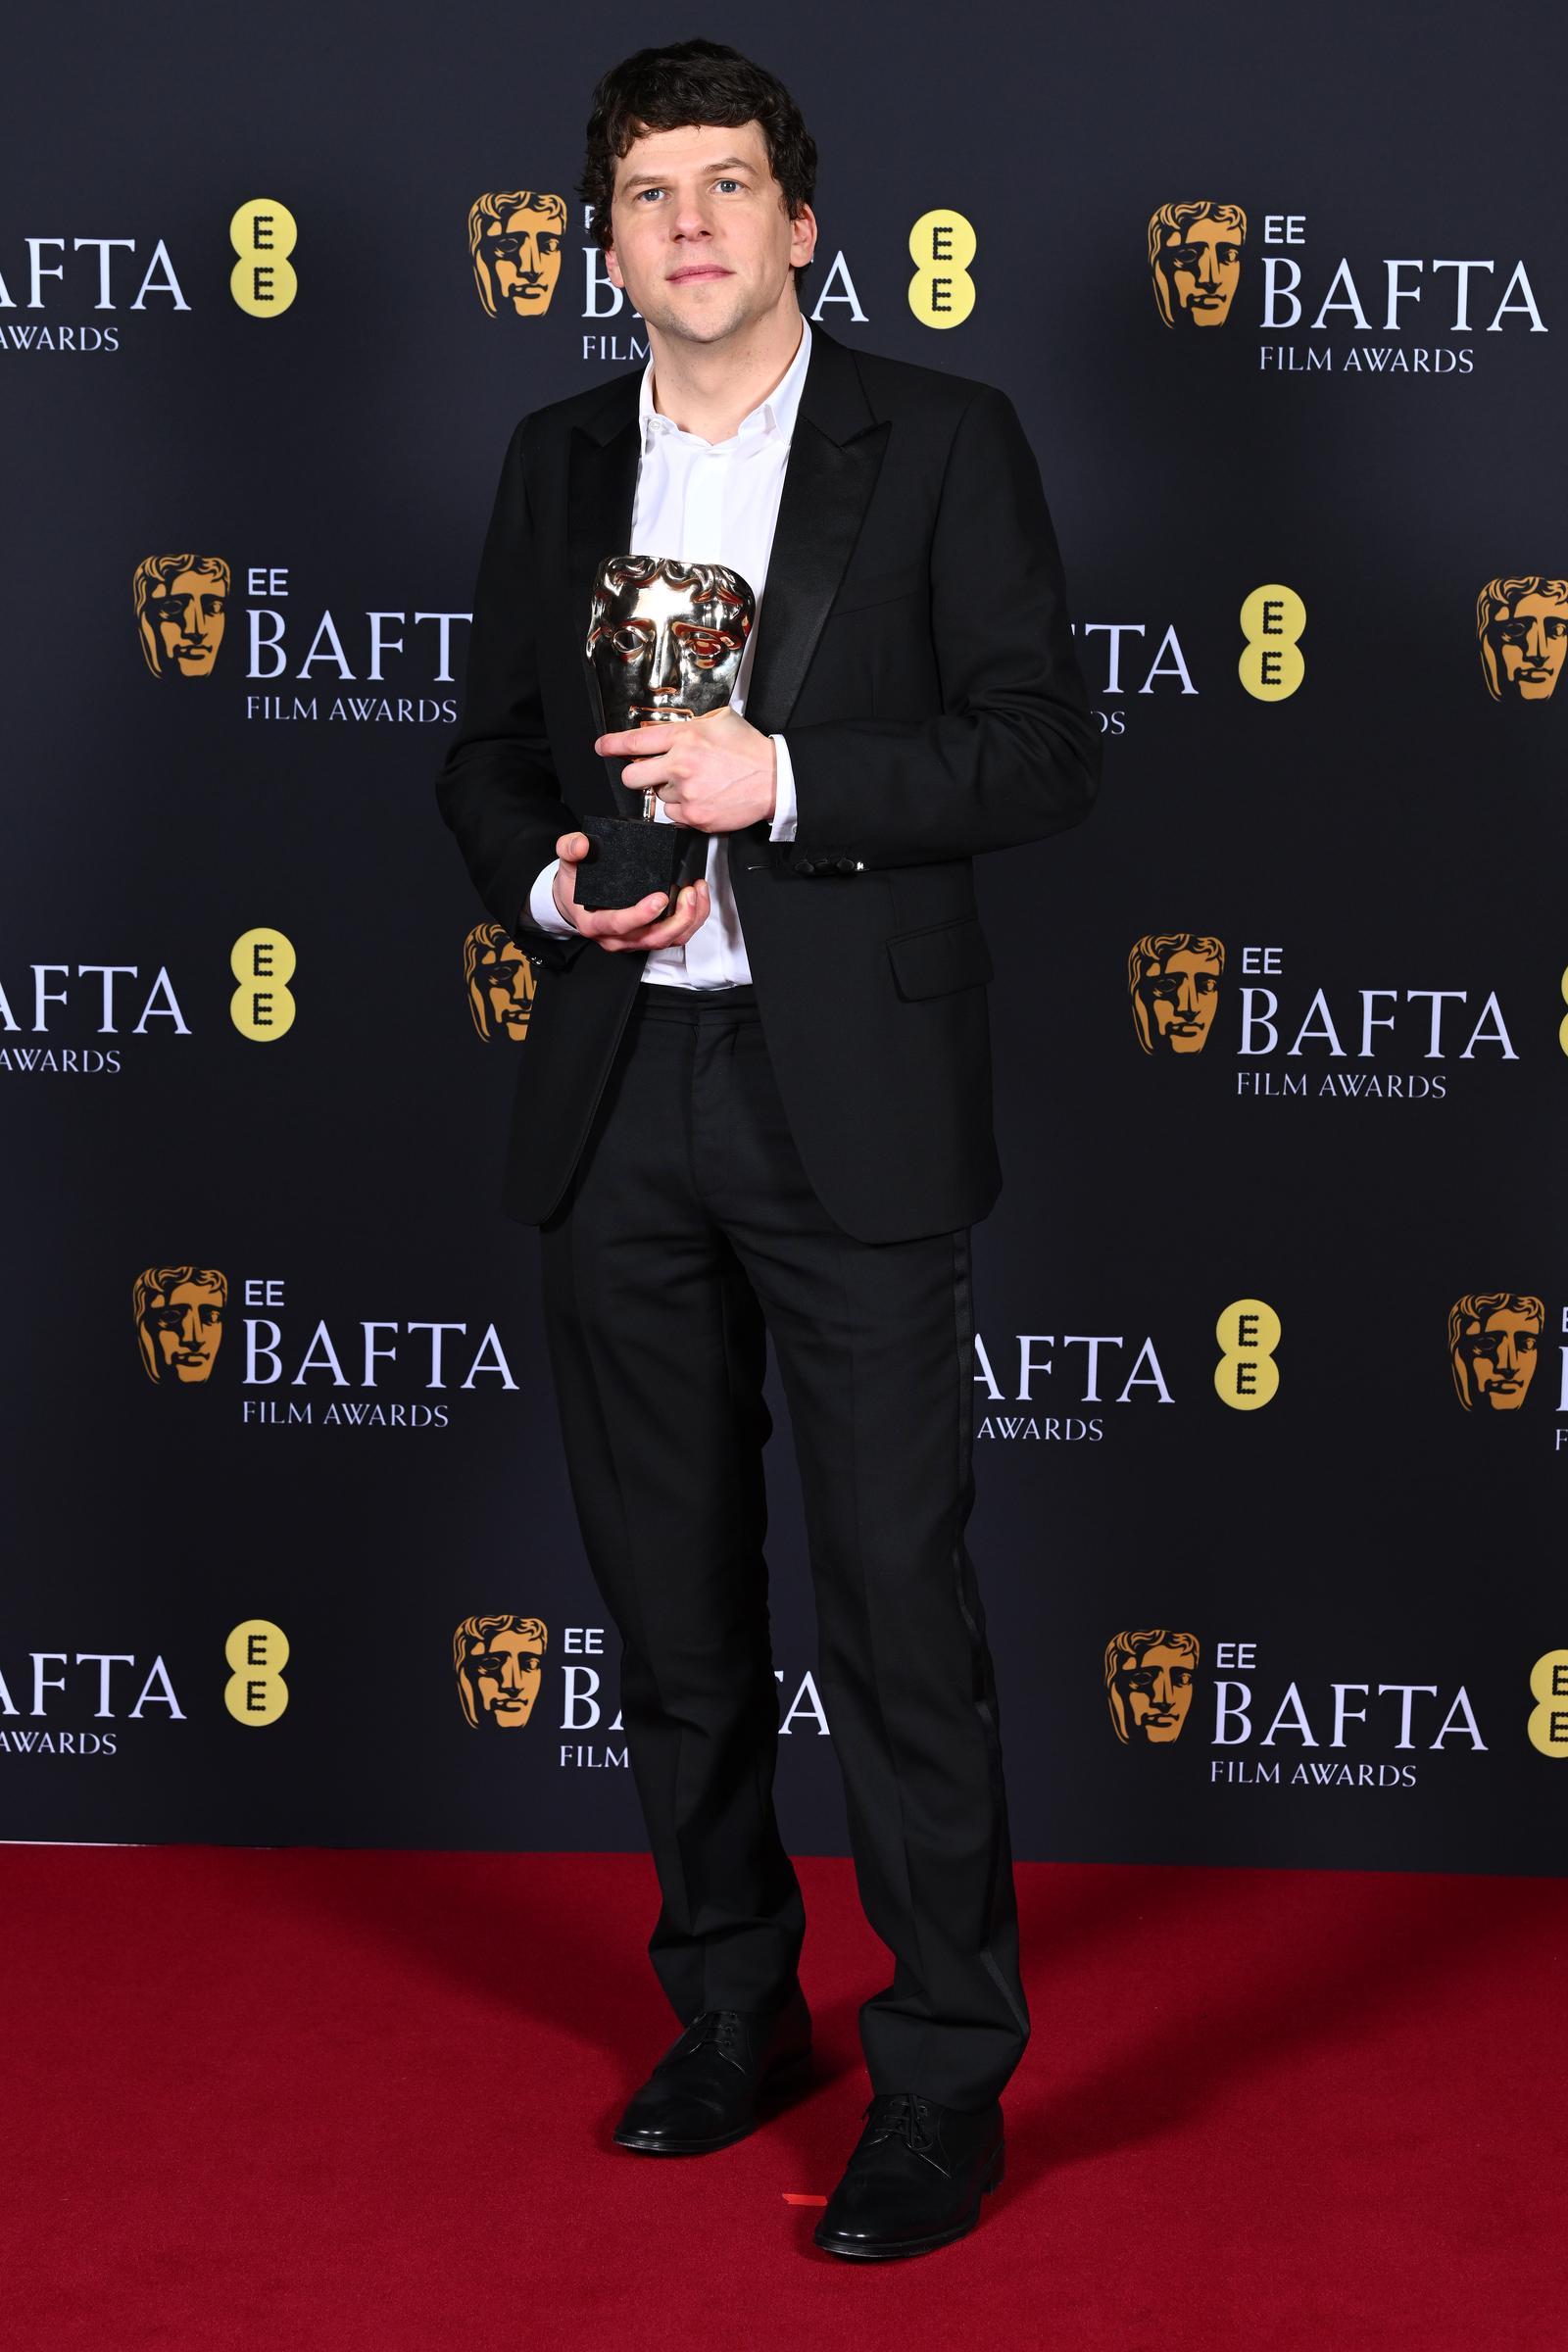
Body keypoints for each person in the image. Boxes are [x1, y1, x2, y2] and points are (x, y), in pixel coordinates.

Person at [436, 37, 1099, 2260]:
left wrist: (779, 783)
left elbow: (1030, 752)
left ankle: (939, 2076)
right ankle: (734, 2009)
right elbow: (488, 757)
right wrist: (553, 886)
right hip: (621, 1091)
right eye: (648, 194)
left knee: (896, 1606)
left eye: (730, 185)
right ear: (600, 240)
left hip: (854, 1112)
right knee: (671, 1610)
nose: (691, 225)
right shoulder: (547, 462)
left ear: (804, 224)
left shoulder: (945, 441)